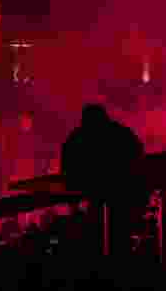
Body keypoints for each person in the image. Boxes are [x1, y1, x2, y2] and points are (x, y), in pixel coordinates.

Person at [61, 104, 145, 256]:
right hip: (120, 199)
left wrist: (75, 202)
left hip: (95, 200)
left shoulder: (77, 139)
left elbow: (67, 169)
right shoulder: (120, 134)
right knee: (116, 240)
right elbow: (138, 155)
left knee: (99, 241)